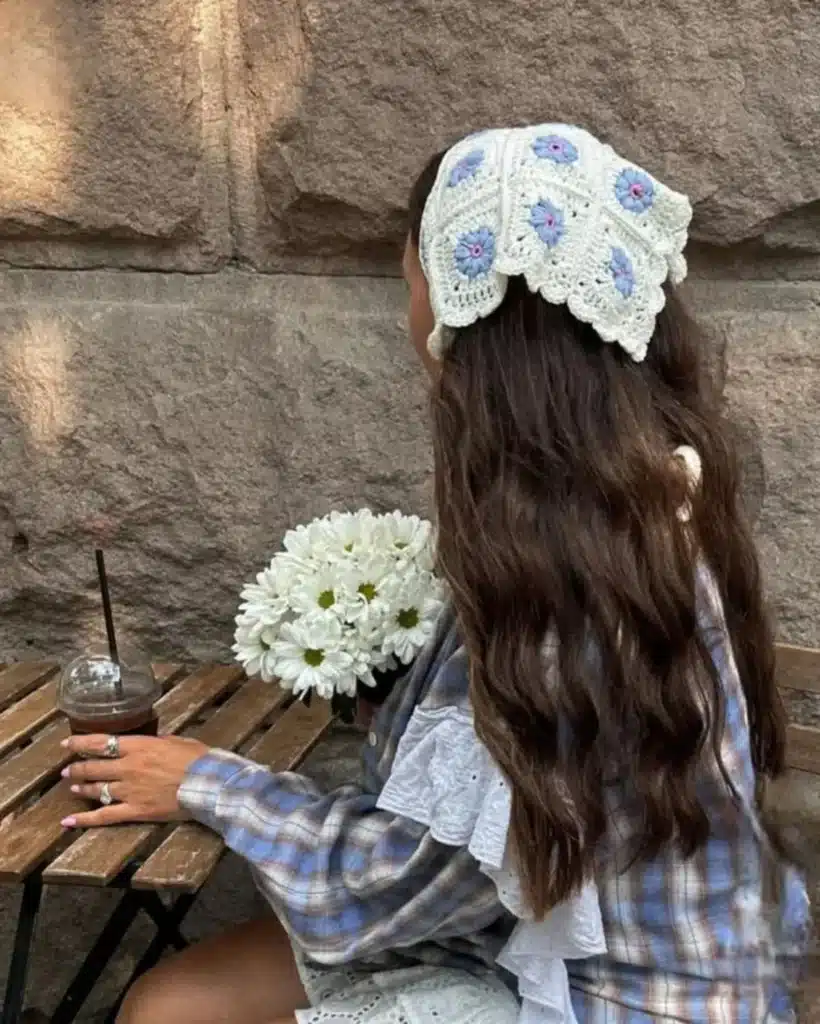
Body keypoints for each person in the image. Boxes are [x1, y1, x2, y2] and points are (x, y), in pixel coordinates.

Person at [61, 124, 809, 1024]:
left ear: (463, 311)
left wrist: (207, 782)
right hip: (570, 937)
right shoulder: (628, 502)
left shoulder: (568, 576)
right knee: (171, 1001)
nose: (408, 313)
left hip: (612, 995)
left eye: (410, 279)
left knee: (168, 1012)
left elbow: (409, 885)